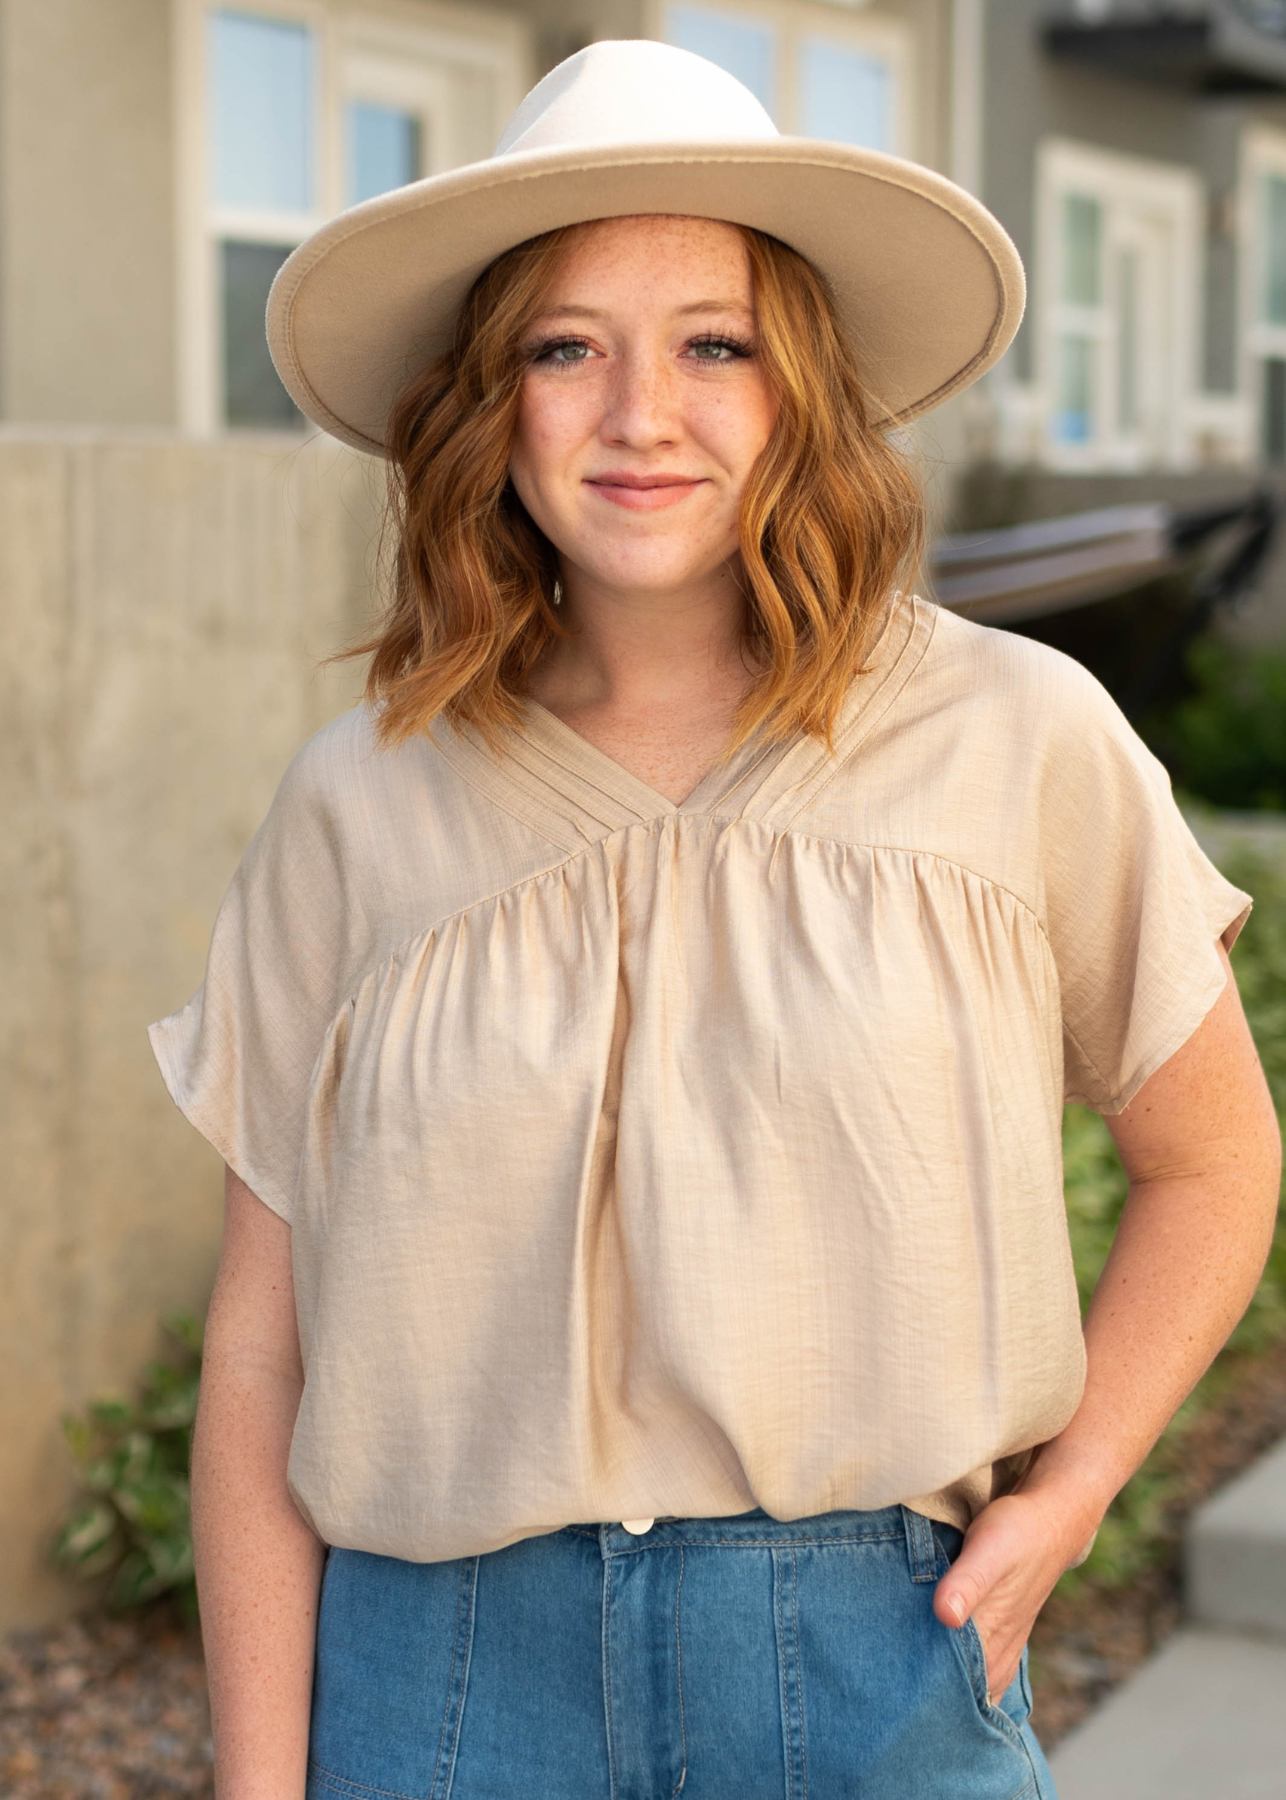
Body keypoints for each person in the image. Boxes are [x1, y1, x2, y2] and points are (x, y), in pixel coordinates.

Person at [150, 40, 1281, 1800]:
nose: (638, 414)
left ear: (801, 387)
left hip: (868, 1666)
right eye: (562, 348)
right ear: (487, 401)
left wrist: (1068, 1499)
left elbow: (1214, 1161)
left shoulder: (1017, 738)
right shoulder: (357, 800)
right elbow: (262, 1339)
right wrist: (254, 1780)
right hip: (439, 1692)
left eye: (712, 343)